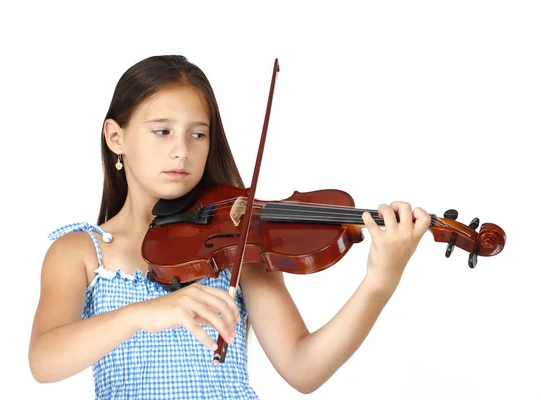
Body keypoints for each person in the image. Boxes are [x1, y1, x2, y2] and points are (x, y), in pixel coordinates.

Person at [28, 54, 432, 399]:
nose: (182, 150)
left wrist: (380, 283)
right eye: (162, 131)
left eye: (198, 134)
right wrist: (143, 313)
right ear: (116, 136)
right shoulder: (82, 252)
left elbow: (303, 369)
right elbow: (44, 360)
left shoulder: (235, 244)